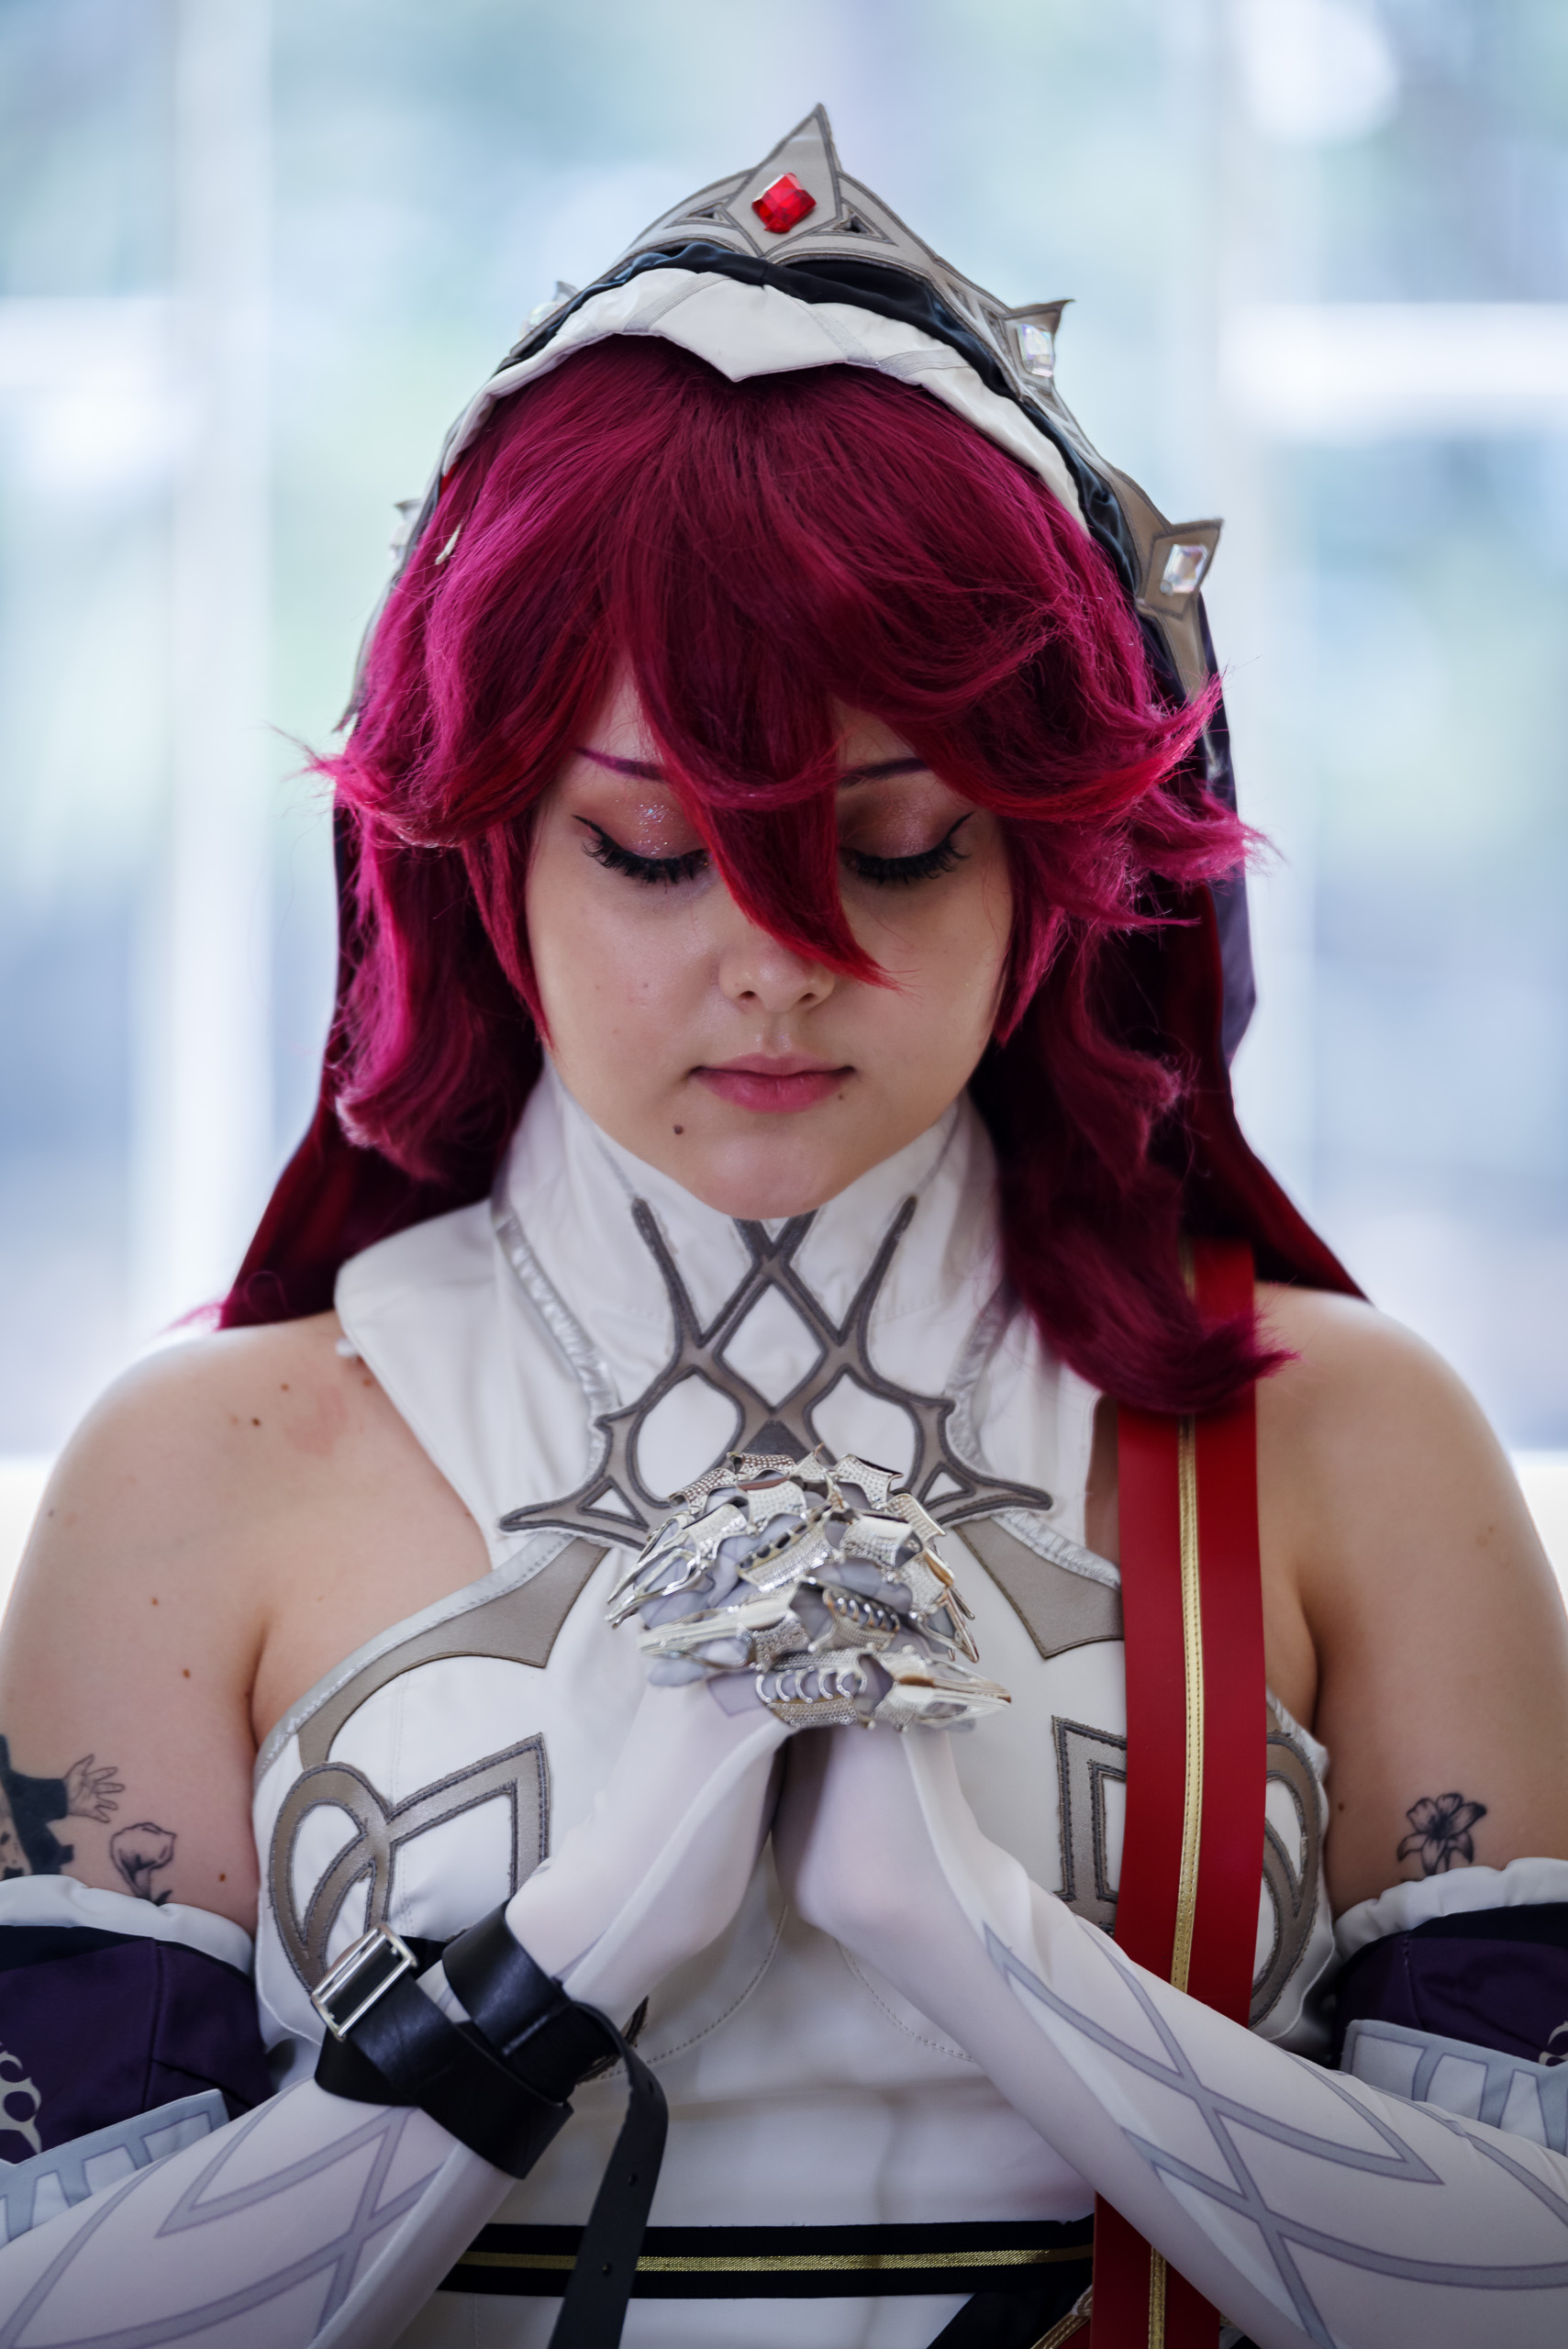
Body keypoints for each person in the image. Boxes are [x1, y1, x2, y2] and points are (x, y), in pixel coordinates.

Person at [0, 106, 1565, 2349]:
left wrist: (973, 1938)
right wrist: (571, 1954)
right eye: (655, 851)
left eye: (899, 846)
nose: (774, 962)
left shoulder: (1347, 1439)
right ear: (478, 846)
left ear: (1059, 861)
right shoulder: (198, 1473)